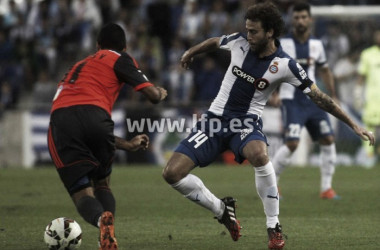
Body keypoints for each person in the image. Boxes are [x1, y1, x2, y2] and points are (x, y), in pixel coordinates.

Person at [162, 2, 374, 250]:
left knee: (260, 155)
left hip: (245, 122)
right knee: (172, 174)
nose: (248, 36)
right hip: (214, 120)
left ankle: (273, 226)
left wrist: (353, 125)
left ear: (270, 32)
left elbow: (320, 97)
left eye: (254, 31)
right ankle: (221, 209)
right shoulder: (239, 42)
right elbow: (214, 41)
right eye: (247, 30)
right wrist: (191, 52)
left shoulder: (285, 65)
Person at [48, 23, 167, 250]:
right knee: (102, 182)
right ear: (124, 46)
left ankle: (100, 220)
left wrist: (128, 144)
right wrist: (160, 92)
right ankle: (108, 223)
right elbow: (151, 96)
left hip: (60, 120)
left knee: (81, 193)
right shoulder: (119, 57)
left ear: (97, 45)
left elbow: (80, 117)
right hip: (96, 115)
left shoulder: (79, 65)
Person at [271, 3, 341, 200]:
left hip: (314, 100)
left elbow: (325, 70)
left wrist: (333, 95)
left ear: (310, 20)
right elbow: (271, 71)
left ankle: (326, 188)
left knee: (328, 139)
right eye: (297, 17)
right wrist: (273, 93)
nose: (300, 21)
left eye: (304, 17)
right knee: (292, 142)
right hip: (290, 99)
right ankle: (272, 185)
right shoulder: (281, 44)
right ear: (292, 20)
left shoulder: (317, 45)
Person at [356, 29, 380, 167]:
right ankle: (369, 157)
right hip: (372, 99)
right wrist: (358, 95)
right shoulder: (367, 54)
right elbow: (360, 77)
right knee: (369, 128)